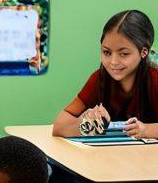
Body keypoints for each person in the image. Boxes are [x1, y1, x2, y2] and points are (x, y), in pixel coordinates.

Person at [53, 9, 157, 139]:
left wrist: (147, 130)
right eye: (107, 52)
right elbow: (59, 127)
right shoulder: (99, 78)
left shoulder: (154, 79)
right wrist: (91, 125)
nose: (113, 62)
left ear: (143, 52)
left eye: (123, 54)